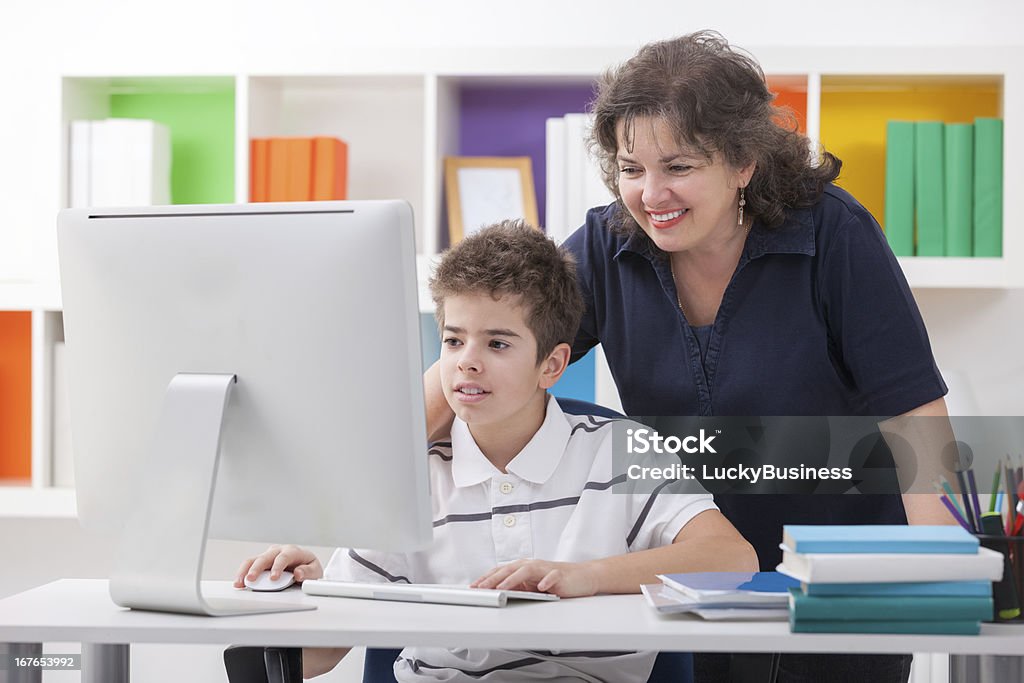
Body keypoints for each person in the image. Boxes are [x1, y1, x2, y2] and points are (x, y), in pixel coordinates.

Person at [419, 32, 958, 683]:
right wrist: (344, 514)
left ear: (742, 162)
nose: (650, 194)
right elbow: (482, 345)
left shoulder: (833, 236)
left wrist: (949, 585)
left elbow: (917, 424)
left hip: (833, 593)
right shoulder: (606, 245)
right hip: (682, 591)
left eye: (678, 166)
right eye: (630, 168)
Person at [236, 221, 757, 681]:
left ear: (552, 365)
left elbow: (733, 558)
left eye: (498, 343)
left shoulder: (619, 451)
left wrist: (584, 577)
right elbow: (318, 656)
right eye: (454, 340)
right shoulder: (413, 475)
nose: (467, 362)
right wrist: (296, 598)